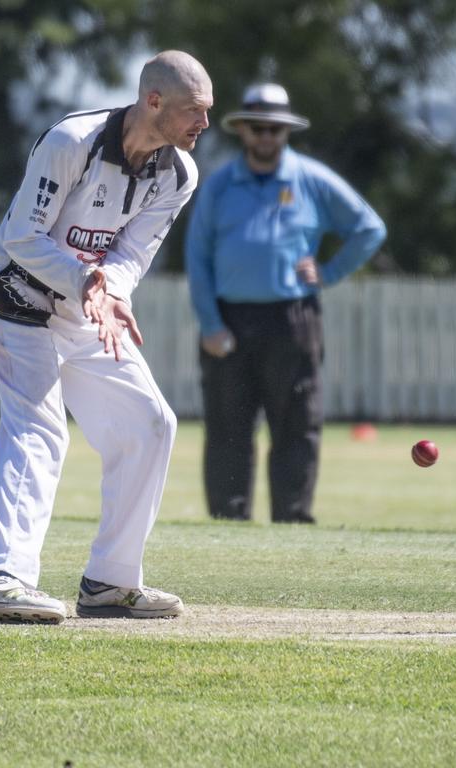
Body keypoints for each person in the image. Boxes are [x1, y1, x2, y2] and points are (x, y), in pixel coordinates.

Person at [0, 51, 213, 624]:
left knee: (150, 423)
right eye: (195, 111)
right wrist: (86, 280)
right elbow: (21, 236)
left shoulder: (179, 174)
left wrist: (110, 291)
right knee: (40, 426)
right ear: (153, 101)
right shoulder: (72, 142)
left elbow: (131, 254)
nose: (205, 124)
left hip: (84, 304)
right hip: (15, 293)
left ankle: (110, 582)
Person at [185, 83, 386, 524]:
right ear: (243, 131)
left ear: (285, 132)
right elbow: (197, 259)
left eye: (274, 129)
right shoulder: (218, 186)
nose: (266, 137)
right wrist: (210, 324)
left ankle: (293, 521)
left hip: (292, 319)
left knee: (296, 425)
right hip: (229, 320)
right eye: (257, 128)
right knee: (227, 428)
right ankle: (227, 521)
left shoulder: (310, 179)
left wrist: (328, 272)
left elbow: (369, 229)